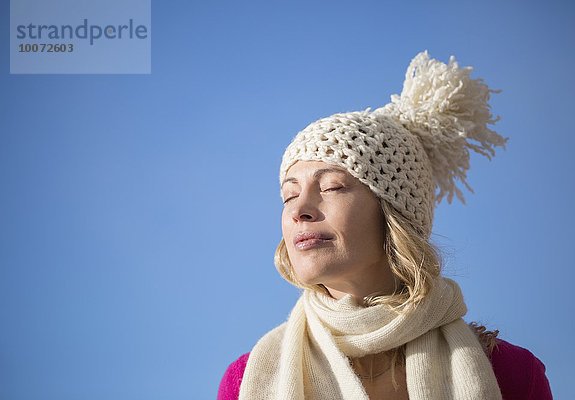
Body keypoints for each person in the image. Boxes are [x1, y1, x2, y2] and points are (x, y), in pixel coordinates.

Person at [218, 51, 553, 399]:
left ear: (394, 214)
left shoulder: (511, 374)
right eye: (289, 195)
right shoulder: (247, 381)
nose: (299, 209)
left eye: (331, 186)